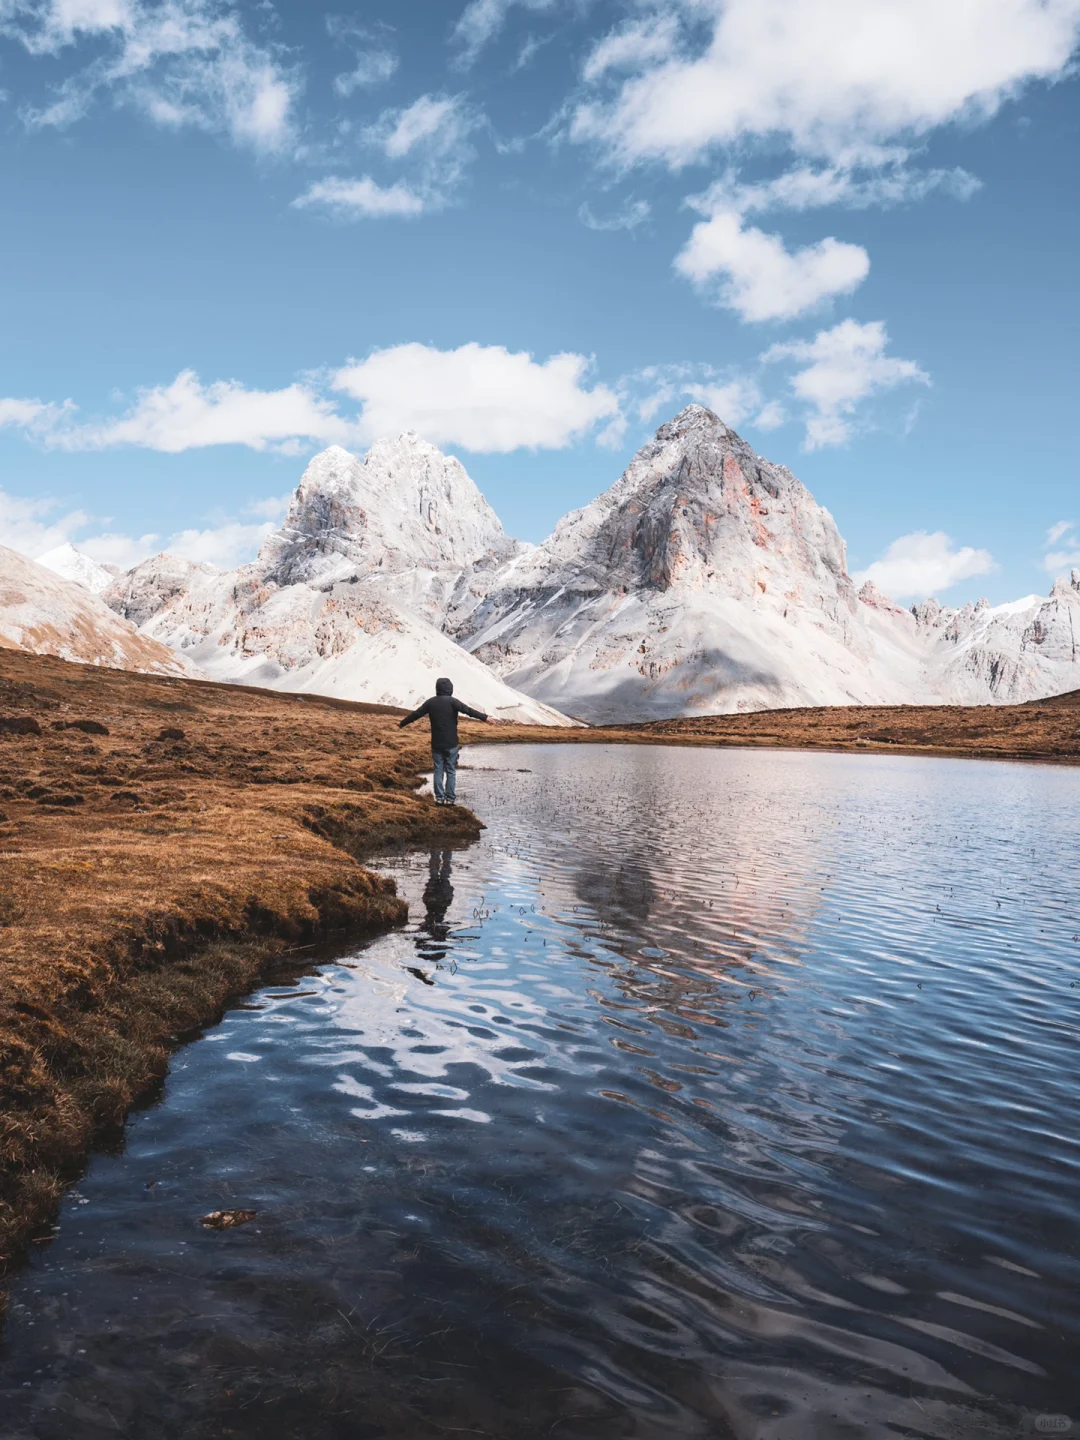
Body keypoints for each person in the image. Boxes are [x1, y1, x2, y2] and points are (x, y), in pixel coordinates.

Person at [398, 677, 496, 805]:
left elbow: (416, 714)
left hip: (437, 743)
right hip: (451, 743)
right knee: (451, 770)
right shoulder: (453, 702)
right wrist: (485, 718)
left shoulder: (430, 703)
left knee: (438, 769)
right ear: (450, 689)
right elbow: (469, 711)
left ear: (437, 689)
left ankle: (439, 798)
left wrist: (402, 724)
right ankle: (450, 799)